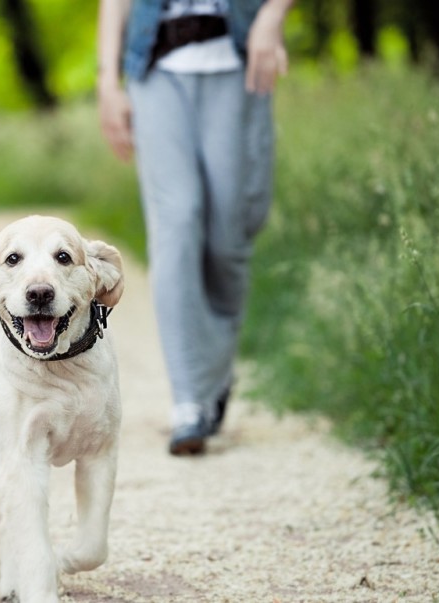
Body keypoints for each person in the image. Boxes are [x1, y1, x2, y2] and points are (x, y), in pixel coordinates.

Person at [97, 0, 292, 455]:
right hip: (155, 67)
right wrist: (107, 82)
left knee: (228, 237)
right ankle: (188, 400)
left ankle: (215, 371)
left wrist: (273, 14)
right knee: (177, 222)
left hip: (238, 60)